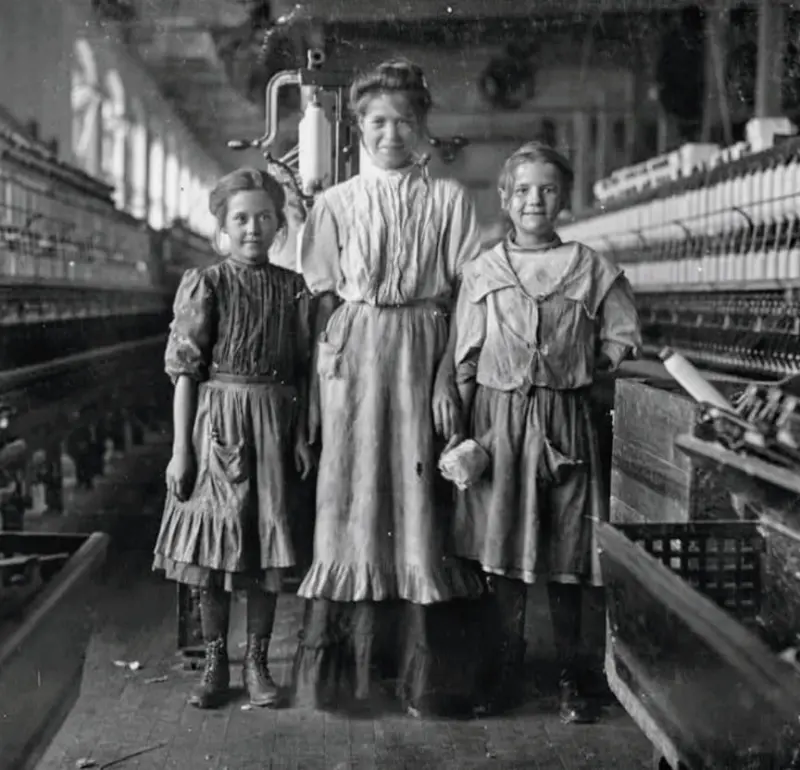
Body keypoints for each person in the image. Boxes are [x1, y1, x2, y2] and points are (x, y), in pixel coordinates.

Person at [292, 59, 485, 717]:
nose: (391, 133)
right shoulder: (334, 203)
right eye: (377, 121)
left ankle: (424, 679)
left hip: (424, 350)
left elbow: (465, 299)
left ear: (422, 125)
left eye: (404, 120)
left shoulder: (450, 200)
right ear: (358, 127)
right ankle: (347, 679)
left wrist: (446, 376)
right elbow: (322, 304)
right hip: (352, 355)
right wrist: (316, 395)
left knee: (419, 496)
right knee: (351, 494)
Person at [450, 141, 641, 721]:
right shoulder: (481, 271)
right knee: (502, 551)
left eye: (548, 189)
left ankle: (569, 680)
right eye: (523, 190)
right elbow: (465, 359)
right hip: (498, 424)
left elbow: (622, 337)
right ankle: (506, 674)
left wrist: (580, 368)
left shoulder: (592, 267)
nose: (535, 200)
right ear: (505, 198)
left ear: (563, 198)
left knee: (567, 553)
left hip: (567, 424)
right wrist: (460, 433)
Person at [152, 167, 315, 710]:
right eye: (241, 218)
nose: (253, 228)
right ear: (223, 226)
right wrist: (181, 451)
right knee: (214, 553)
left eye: (264, 218)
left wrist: (299, 434)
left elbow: (303, 372)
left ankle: (258, 663)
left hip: (275, 427)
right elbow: (185, 372)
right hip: (219, 428)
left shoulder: (293, 288)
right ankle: (217, 662)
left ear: (279, 225)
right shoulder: (208, 283)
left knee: (265, 551)